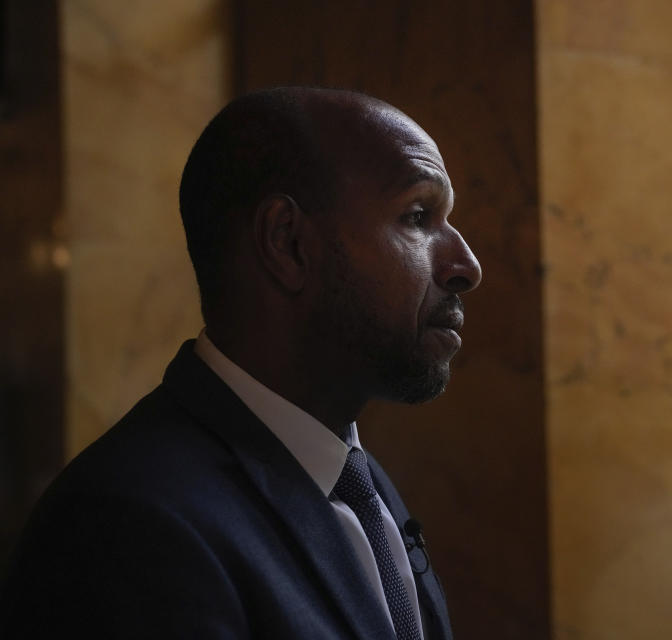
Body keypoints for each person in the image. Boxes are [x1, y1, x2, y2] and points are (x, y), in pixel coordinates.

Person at [0, 87, 481, 639]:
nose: (466, 265)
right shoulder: (127, 527)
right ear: (287, 244)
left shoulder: (356, 482)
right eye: (418, 216)